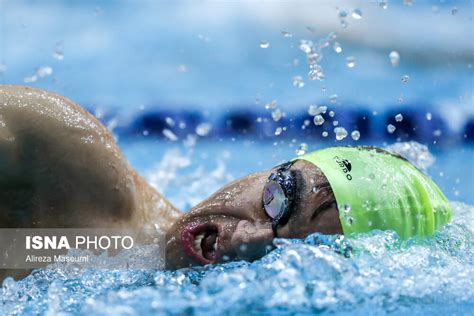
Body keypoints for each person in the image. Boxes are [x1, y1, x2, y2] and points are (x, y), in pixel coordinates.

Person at [0, 85, 452, 276]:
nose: (247, 239)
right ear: (271, 168)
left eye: (290, 255)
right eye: (279, 198)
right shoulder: (63, 160)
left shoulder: (92, 258)